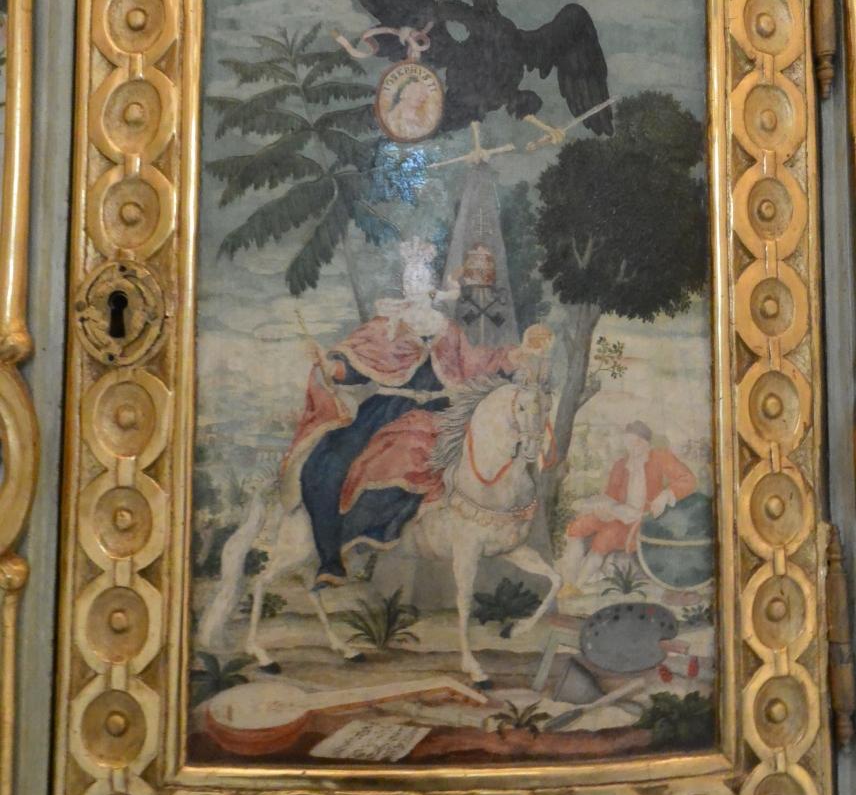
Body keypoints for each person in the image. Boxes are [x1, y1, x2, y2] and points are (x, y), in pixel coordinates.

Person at [280, 238, 551, 587]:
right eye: (412, 279)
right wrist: (330, 366)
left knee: (451, 450)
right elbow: (355, 368)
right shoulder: (386, 327)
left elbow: (475, 363)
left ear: (432, 286)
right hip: (385, 410)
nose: (417, 286)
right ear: (405, 285)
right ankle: (332, 560)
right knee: (327, 464)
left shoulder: (446, 329)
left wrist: (518, 353)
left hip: (439, 410)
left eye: (423, 279)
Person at [560, 420, 696, 593]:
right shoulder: (621, 465)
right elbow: (611, 496)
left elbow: (688, 479)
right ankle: (568, 579)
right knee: (578, 526)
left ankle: (576, 586)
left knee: (606, 536)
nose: (633, 447)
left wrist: (666, 494)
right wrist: (604, 509)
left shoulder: (660, 457)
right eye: (629, 442)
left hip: (644, 520)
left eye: (637, 442)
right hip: (618, 514)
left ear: (646, 442)